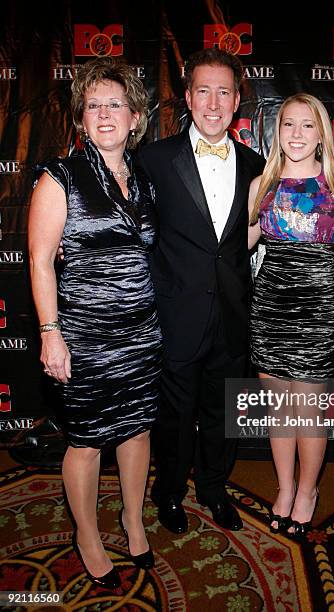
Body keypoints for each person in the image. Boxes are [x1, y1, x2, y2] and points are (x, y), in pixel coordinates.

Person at [28, 57, 161, 588]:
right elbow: (39, 261)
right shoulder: (59, 175)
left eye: (115, 105)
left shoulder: (144, 178)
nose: (104, 114)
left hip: (142, 331)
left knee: (136, 429)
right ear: (81, 120)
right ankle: (87, 534)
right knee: (85, 439)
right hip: (83, 335)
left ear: (134, 117)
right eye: (93, 106)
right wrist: (49, 333)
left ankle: (132, 518)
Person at [137, 48, 265, 533]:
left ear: (237, 102)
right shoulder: (153, 159)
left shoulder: (257, 165)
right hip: (175, 316)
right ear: (188, 97)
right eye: (204, 91)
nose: (214, 103)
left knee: (223, 414)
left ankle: (213, 488)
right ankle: (168, 492)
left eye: (224, 92)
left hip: (234, 315)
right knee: (174, 417)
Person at [248, 94, 334, 537]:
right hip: (271, 305)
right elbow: (241, 241)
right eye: (288, 124)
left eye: (307, 125)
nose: (296, 133)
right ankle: (286, 487)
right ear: (277, 131)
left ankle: (308, 491)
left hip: (318, 307)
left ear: (321, 133)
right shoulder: (262, 184)